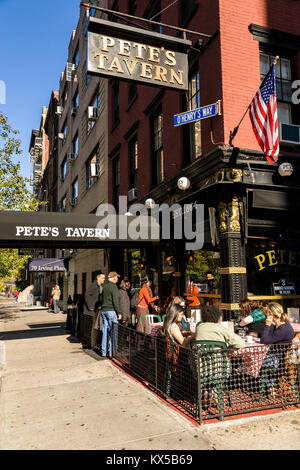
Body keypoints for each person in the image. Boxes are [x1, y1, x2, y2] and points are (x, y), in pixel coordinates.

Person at [101, 271, 122, 357]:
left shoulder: (104, 286)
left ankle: (104, 351)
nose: (117, 279)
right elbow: (115, 301)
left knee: (105, 332)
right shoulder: (114, 287)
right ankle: (112, 352)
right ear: (114, 278)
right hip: (111, 311)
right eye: (117, 277)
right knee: (113, 332)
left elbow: (101, 298)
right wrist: (119, 312)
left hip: (104, 311)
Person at [84, 272, 105, 350]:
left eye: (104, 278)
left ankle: (95, 343)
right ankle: (92, 345)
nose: (104, 279)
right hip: (93, 310)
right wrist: (90, 306)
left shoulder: (101, 286)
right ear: (98, 278)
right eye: (102, 278)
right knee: (93, 327)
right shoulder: (94, 285)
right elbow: (87, 294)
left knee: (96, 326)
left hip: (98, 308)